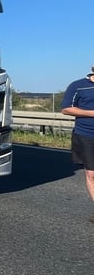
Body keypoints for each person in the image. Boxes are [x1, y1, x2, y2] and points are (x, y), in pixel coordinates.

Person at [61, 66, 94, 221]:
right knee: (91, 173)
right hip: (86, 135)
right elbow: (66, 109)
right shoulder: (77, 86)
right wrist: (92, 113)